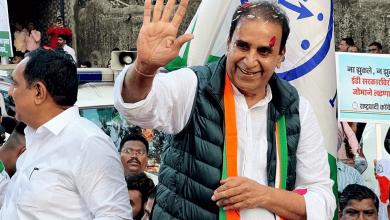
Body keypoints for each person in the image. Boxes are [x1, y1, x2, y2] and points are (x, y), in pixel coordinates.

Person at [114, 0, 335, 219]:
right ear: (229, 43)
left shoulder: (297, 109)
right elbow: (136, 107)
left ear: (280, 56)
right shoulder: (194, 85)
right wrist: (144, 68)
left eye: (264, 51)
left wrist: (263, 196)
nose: (250, 61)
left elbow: (323, 202)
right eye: (243, 46)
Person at [0, 48, 132, 219]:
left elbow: (116, 215)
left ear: (39, 92)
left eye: (16, 84)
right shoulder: (34, 138)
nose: (10, 92)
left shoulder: (89, 143)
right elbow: (15, 207)